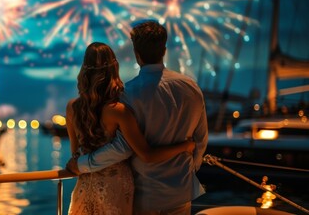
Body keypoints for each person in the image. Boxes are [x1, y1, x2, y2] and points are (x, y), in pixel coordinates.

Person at [67, 20, 209, 215]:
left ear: (136, 54)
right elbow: (200, 140)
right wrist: (187, 167)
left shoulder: (128, 94)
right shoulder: (191, 87)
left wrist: (82, 165)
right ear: (164, 50)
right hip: (181, 191)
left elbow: (122, 147)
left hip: (145, 193)